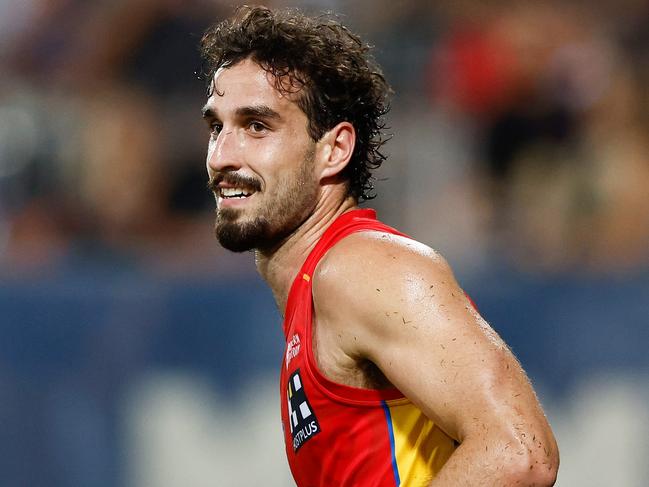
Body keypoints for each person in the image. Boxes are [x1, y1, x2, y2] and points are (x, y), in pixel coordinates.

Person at [200, 5, 559, 486]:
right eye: (216, 127)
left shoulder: (362, 269)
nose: (222, 155)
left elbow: (521, 452)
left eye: (257, 126)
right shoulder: (317, 288)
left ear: (335, 149)